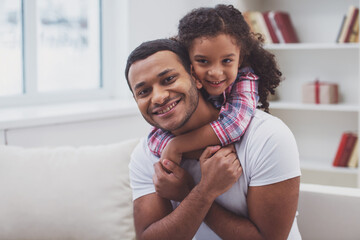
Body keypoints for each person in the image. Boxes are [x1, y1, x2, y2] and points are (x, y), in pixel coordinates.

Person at [125, 38, 301, 239]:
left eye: (168, 79)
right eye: (144, 91)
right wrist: (203, 192)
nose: (158, 97)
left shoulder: (267, 136)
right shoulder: (146, 153)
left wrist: (189, 192)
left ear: (195, 76)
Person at [148, 4, 281, 166]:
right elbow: (155, 137)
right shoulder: (182, 87)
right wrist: (193, 151)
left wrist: (177, 145)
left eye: (227, 61)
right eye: (203, 61)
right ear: (187, 59)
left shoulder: (246, 77)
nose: (216, 73)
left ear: (240, 59)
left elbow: (233, 125)